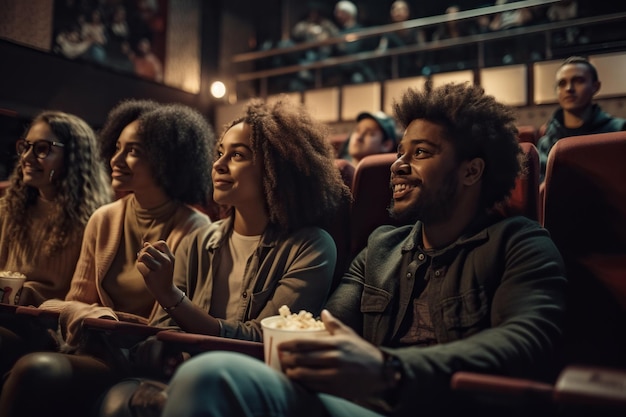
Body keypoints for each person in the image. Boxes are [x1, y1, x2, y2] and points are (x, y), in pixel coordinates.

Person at [143, 80, 568, 417]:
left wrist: (390, 371)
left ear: (472, 170)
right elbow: (320, 326)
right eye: (400, 152)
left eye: (421, 153)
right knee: (212, 378)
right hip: (361, 408)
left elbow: (527, 340)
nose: (399, 165)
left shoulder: (520, 243)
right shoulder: (381, 248)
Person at [0, 100, 213, 417]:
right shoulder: (105, 218)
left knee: (36, 369)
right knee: (33, 368)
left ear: (168, 160)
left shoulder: (195, 229)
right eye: (117, 147)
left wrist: (105, 320)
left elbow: (172, 327)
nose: (115, 159)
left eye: (134, 151)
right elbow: (73, 303)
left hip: (141, 362)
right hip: (92, 350)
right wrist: (99, 315)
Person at [0, 110, 112, 379]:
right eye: (25, 147)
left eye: (42, 149)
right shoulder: (7, 209)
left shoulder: (96, 219)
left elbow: (84, 301)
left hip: (47, 329)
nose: (26, 158)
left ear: (73, 158)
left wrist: (27, 295)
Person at [537, 55, 626, 181]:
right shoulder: (546, 143)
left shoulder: (619, 131)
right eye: (562, 83)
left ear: (595, 86)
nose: (569, 89)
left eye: (578, 81)